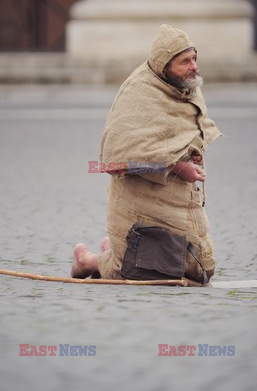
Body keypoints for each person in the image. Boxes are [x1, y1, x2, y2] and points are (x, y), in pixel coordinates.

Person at [70, 24, 222, 283]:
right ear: (165, 65)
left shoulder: (187, 88)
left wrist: (191, 154)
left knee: (201, 270)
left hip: (180, 199)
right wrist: (177, 167)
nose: (194, 66)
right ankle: (88, 260)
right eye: (185, 61)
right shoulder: (140, 93)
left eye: (194, 58)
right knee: (137, 271)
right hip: (142, 202)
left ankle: (114, 250)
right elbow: (119, 154)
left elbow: (188, 131)